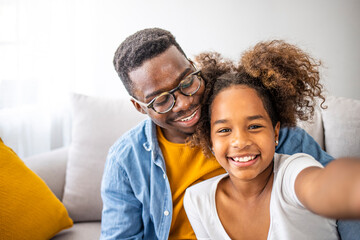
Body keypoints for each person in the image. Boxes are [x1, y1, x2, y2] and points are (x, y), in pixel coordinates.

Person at [100, 28, 357, 239]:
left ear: (191, 66)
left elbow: (339, 200)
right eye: (161, 100)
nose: (184, 103)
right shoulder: (125, 160)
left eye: (187, 82)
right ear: (138, 106)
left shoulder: (268, 131)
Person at [183, 40, 360, 239]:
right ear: (210, 141)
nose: (240, 141)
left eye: (255, 126)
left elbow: (324, 186)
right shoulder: (197, 200)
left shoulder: (293, 172)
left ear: (275, 133)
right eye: (224, 130)